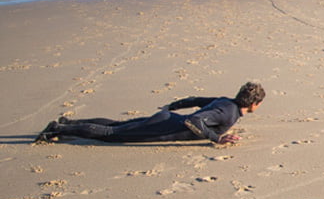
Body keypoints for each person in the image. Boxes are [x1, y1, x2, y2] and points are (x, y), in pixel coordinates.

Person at [35, 82, 266, 146]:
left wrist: (172, 106)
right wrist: (217, 138)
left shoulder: (227, 101)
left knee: (117, 124)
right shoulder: (229, 113)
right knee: (110, 133)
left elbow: (195, 101)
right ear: (254, 104)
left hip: (166, 119)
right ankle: (57, 129)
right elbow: (193, 120)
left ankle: (68, 122)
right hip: (165, 127)